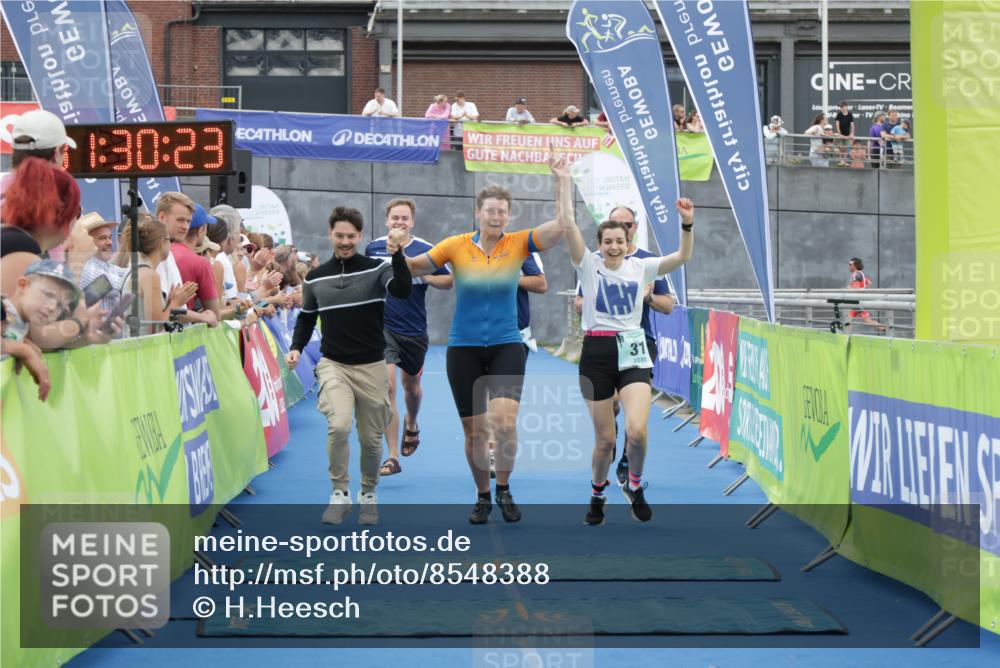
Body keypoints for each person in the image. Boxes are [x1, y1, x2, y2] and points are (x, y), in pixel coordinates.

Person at [403, 156, 572, 525]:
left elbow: (561, 226)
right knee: (475, 432)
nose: (496, 217)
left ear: (508, 216)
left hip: (506, 345)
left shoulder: (519, 244)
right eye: (489, 211)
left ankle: (505, 489)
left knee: (505, 424)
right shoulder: (456, 245)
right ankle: (482, 496)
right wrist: (397, 249)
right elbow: (418, 266)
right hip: (462, 348)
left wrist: (562, 182)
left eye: (502, 212)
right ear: (477, 212)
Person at [564, 200, 695, 525]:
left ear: (628, 243)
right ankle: (597, 493)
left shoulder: (643, 266)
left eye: (619, 241)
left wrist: (687, 224)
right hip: (596, 354)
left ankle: (634, 484)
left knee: (637, 431)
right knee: (606, 440)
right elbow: (568, 223)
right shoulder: (588, 265)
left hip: (633, 350)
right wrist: (562, 180)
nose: (613, 247)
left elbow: (682, 257)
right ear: (599, 244)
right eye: (607, 241)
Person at [286, 207, 412, 527]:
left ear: (360, 237)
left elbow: (402, 289)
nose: (345, 242)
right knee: (339, 425)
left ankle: (368, 493)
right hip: (334, 364)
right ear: (329, 234)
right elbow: (305, 317)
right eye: (339, 235)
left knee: (371, 441)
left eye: (351, 236)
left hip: (371, 365)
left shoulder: (377, 269)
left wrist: (397, 256)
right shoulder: (315, 277)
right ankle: (339, 492)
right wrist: (296, 348)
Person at [573, 206, 674, 484]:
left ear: (634, 228)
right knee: (613, 406)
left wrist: (647, 298)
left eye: (626, 225)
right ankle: (610, 439)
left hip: (639, 342)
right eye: (614, 227)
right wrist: (607, 299)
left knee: (637, 421)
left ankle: (630, 461)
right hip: (602, 345)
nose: (620, 233)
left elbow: (668, 305)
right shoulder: (595, 262)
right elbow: (579, 303)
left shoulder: (647, 262)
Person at [365, 199, 453, 477]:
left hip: (413, 330)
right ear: (387, 221)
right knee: (387, 388)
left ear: (412, 222)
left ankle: (412, 423)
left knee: (411, 387)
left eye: (405, 218)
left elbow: (447, 281)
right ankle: (392, 456)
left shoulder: (427, 249)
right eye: (395, 218)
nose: (400, 222)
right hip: (383, 326)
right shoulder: (374, 247)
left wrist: (421, 272)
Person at [1, 159, 117, 348]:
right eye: (76, 212)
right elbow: (37, 337)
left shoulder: (18, 242)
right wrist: (76, 262)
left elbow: (35, 336)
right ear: (60, 214)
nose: (77, 222)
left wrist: (88, 337)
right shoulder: (21, 249)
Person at [1, 260, 82, 399]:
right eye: (48, 295)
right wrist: (23, 351)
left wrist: (23, 345)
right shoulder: (3, 308)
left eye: (60, 306)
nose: (52, 307)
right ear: (23, 286)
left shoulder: (21, 325)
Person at [117, 218, 199, 334]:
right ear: (162, 243)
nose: (171, 244)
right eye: (170, 240)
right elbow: (155, 326)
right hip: (146, 349)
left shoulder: (133, 270)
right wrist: (175, 303)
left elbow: (149, 318)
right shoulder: (150, 275)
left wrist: (169, 303)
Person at [154, 193, 218, 327]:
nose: (185, 227)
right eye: (180, 220)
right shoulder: (154, 254)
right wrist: (202, 317)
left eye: (188, 221)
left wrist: (200, 315)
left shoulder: (168, 254)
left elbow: (174, 310)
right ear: (162, 217)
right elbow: (162, 316)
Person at [172, 203, 221, 320]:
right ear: (202, 229)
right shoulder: (201, 263)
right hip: (182, 333)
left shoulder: (164, 252)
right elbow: (215, 315)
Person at [78, 212, 128, 314]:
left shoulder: (105, 266)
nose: (110, 242)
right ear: (86, 241)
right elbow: (125, 284)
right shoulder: (85, 267)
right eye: (102, 238)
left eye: (109, 237)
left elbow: (130, 274)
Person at [847, 257, 885, 331]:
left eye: (850, 264)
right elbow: (868, 283)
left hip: (857, 302)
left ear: (855, 265)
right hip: (860, 301)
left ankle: (847, 336)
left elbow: (856, 288)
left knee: (847, 320)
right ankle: (882, 328)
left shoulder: (855, 275)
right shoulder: (861, 273)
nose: (848, 266)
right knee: (866, 320)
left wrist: (849, 288)